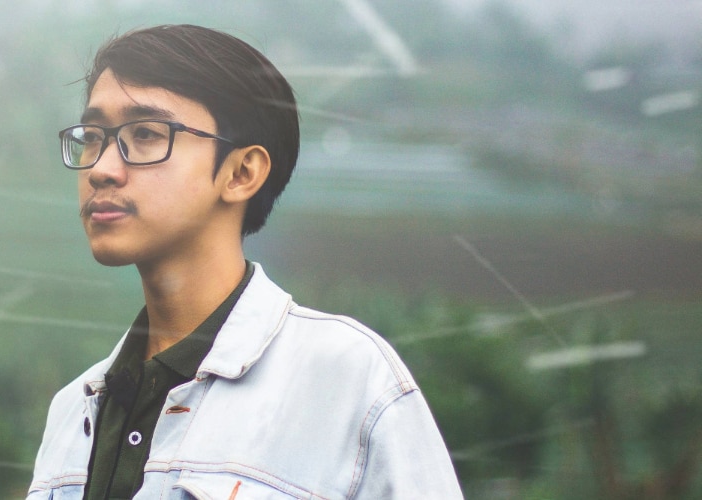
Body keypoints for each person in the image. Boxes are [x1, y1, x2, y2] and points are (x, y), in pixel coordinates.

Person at [28, 24, 463, 499]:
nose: (102, 169)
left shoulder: (347, 383)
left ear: (241, 173)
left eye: (147, 134)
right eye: (92, 137)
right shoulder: (74, 411)